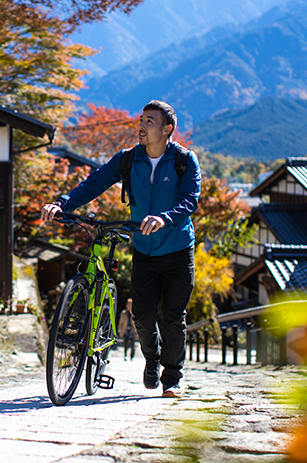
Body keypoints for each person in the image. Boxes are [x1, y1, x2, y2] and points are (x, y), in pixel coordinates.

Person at [41, 100, 200, 398]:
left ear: (167, 129)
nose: (141, 125)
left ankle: (173, 377)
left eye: (149, 121)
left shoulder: (184, 161)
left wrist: (164, 218)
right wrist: (62, 203)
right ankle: (151, 360)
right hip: (144, 249)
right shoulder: (127, 160)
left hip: (178, 249)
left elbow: (189, 200)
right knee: (141, 313)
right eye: (141, 119)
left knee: (173, 316)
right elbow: (94, 182)